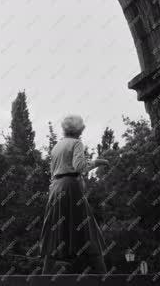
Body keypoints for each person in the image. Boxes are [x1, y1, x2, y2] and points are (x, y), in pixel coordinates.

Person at [40, 115, 109, 274]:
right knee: (88, 229)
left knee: (55, 230)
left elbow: (55, 171)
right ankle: (104, 276)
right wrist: (96, 163)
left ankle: (44, 278)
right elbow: (79, 167)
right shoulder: (76, 143)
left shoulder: (57, 146)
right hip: (71, 188)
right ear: (79, 129)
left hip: (55, 188)